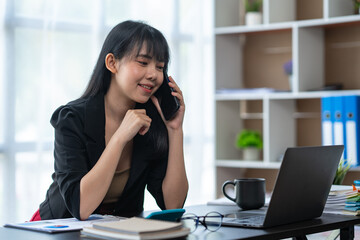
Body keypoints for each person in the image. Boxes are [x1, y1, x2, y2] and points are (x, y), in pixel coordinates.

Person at [30, 20, 188, 221]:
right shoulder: (71, 119)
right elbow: (82, 208)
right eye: (142, 62)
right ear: (112, 63)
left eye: (160, 67)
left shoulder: (151, 123)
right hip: (55, 228)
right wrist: (120, 137)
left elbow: (173, 205)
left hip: (115, 232)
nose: (153, 75)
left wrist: (175, 130)